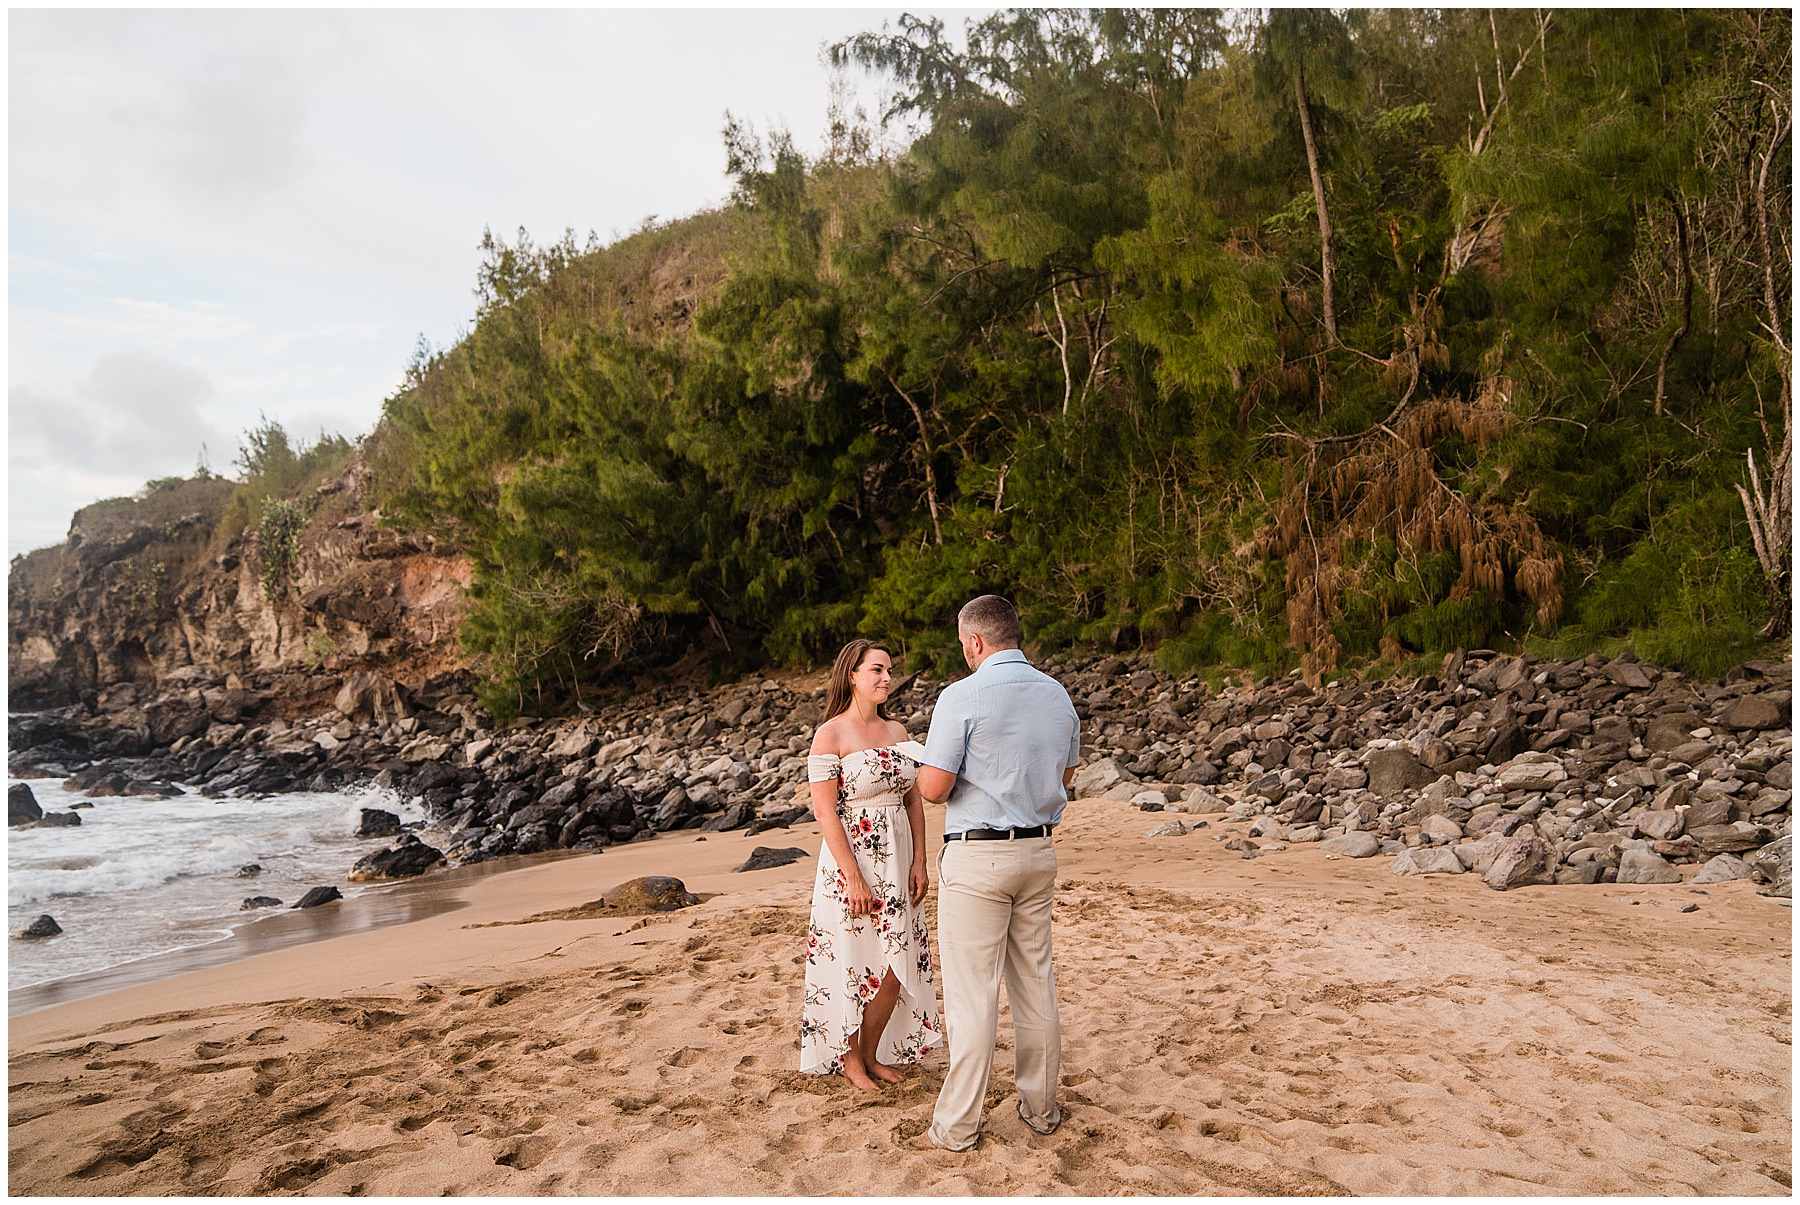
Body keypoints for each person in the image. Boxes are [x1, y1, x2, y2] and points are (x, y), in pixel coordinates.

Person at [914, 595, 1081, 1151]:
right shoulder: (1057, 694)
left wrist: (927, 774)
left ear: (975, 642)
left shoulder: (962, 695)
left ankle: (959, 1124)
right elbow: (1068, 772)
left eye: (964, 644)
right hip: (1038, 852)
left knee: (972, 994)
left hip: (978, 856)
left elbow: (935, 789)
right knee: (1035, 985)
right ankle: (1041, 1108)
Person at [800, 638, 941, 1088]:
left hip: (899, 859)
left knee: (899, 963)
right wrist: (853, 877)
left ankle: (872, 1051)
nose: (886, 678)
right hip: (852, 862)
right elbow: (825, 811)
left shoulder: (898, 732)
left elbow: (913, 801)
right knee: (854, 959)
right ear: (852, 675)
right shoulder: (831, 734)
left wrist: (920, 860)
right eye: (877, 670)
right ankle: (851, 1060)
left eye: (889, 670)